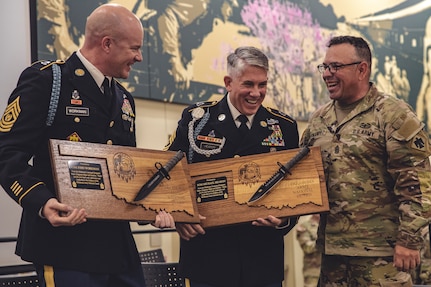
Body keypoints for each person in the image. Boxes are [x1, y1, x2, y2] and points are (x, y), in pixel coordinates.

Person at [0, 4, 174, 287]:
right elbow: (7, 154)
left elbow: (126, 171)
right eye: (134, 48)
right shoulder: (48, 81)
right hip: (63, 245)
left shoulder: (124, 99)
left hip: (117, 248)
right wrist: (41, 203)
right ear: (107, 44)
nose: (140, 57)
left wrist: (151, 211)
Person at [300, 35, 431, 286]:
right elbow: (302, 181)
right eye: (325, 67)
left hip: (382, 257)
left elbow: (418, 185)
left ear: (362, 69)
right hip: (332, 257)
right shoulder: (318, 120)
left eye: (336, 67)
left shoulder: (393, 115)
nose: (327, 73)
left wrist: (409, 240)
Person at [164, 46, 299, 287]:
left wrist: (284, 221)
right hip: (208, 258)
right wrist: (179, 217)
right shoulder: (197, 120)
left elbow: (296, 188)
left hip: (262, 262)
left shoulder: (284, 127)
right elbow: (168, 173)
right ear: (228, 82)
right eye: (248, 84)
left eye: (263, 85)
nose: (256, 93)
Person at [296, 214, 321, 287]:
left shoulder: (329, 226)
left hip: (330, 271)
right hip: (313, 272)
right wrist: (324, 242)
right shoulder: (304, 226)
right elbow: (307, 248)